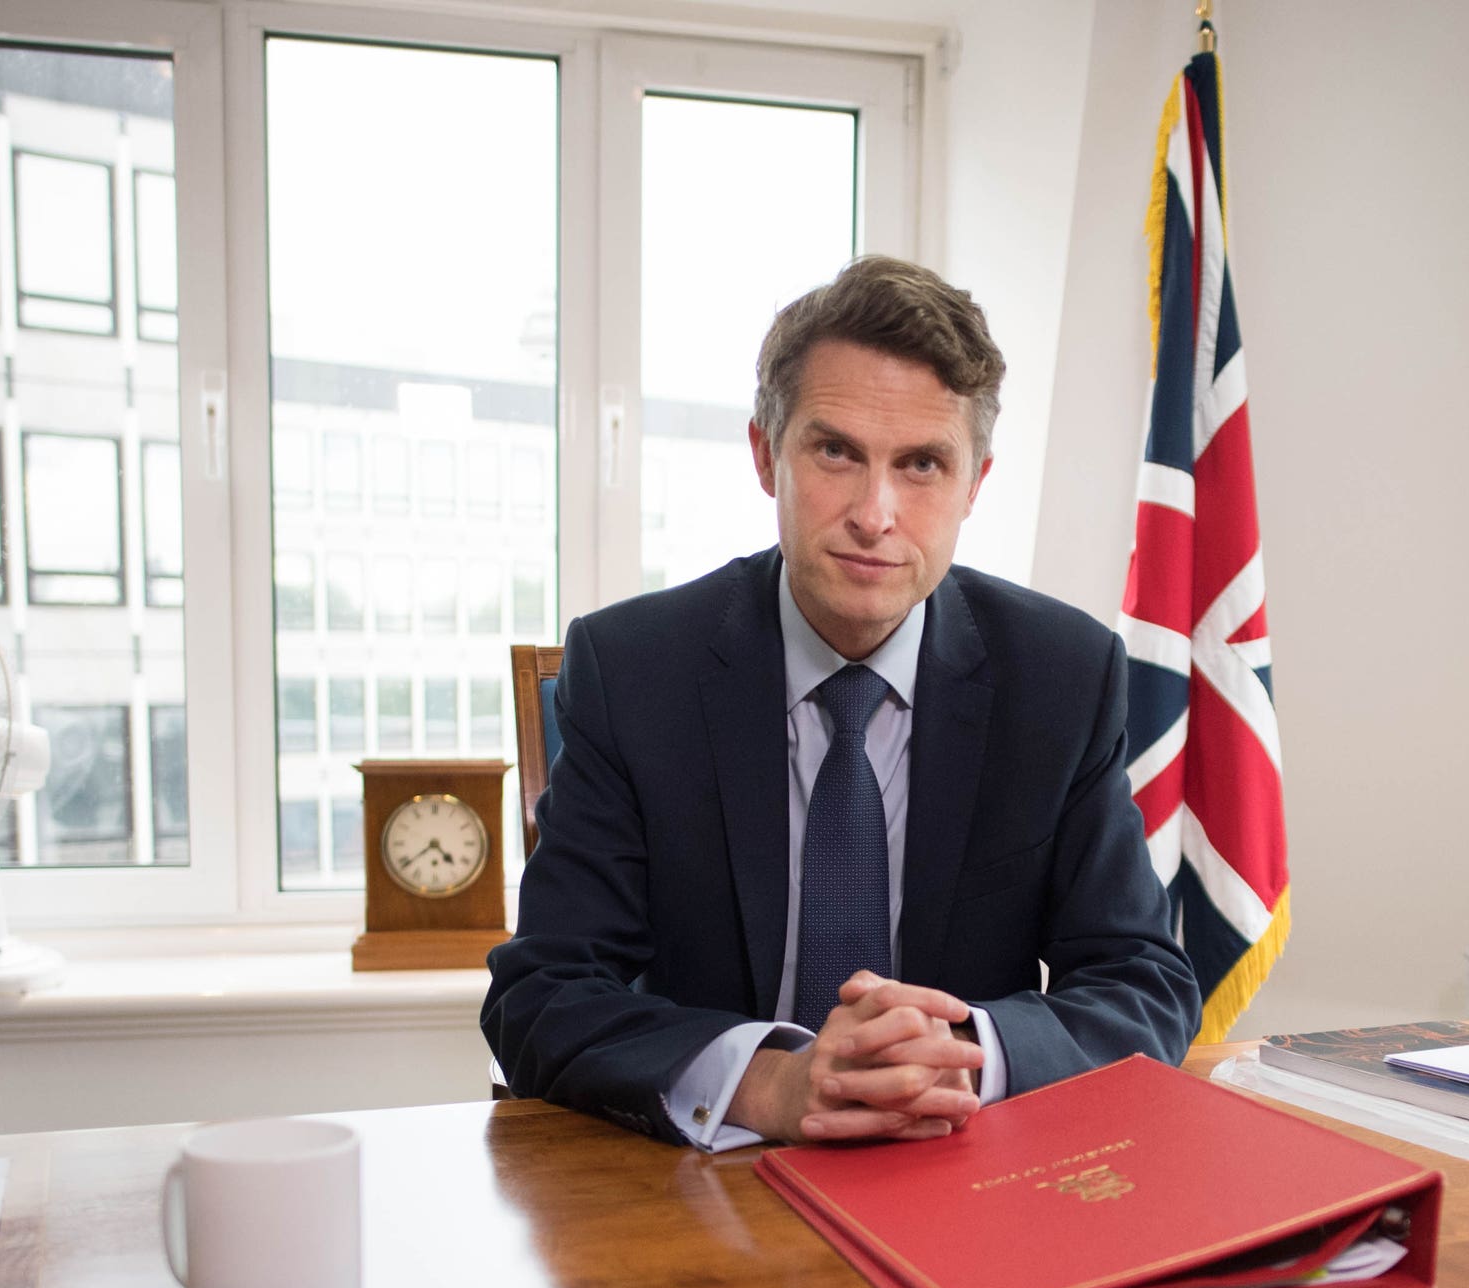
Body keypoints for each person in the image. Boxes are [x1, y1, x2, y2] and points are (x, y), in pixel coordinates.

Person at [481, 256, 1199, 1148]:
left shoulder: (1061, 677)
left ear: (974, 484)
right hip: (704, 1194)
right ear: (764, 455)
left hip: (955, 1186)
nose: (875, 512)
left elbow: (1144, 984)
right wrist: (771, 1082)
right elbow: (541, 996)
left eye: (924, 464)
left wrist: (955, 1051)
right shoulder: (634, 670)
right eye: (836, 452)